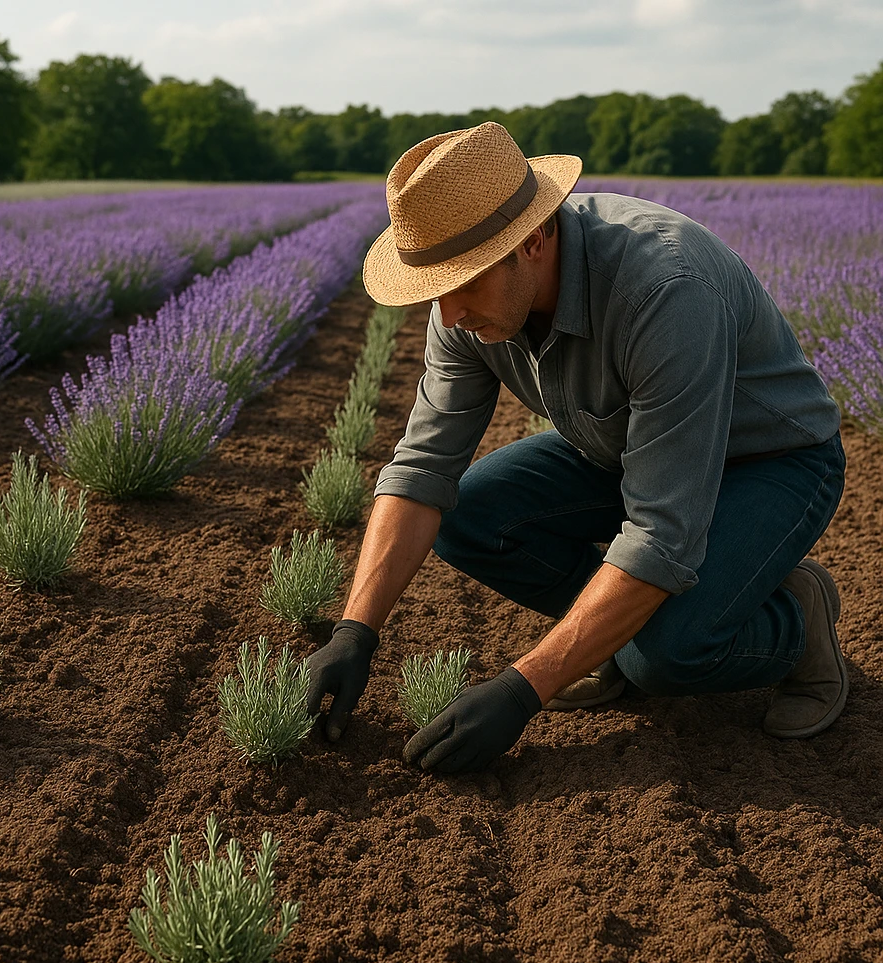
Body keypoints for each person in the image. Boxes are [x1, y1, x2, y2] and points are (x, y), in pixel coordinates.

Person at [305, 121, 846, 775]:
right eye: (434, 289)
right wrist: (354, 631)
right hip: (626, 449)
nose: (447, 316)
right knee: (474, 515)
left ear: (532, 239)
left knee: (665, 656)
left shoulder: (663, 290)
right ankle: (611, 637)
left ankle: (799, 625)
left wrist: (523, 687)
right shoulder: (468, 305)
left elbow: (659, 534)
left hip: (769, 462)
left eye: (462, 285)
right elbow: (422, 466)